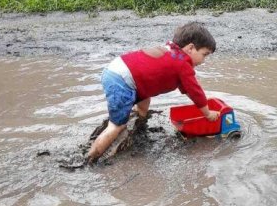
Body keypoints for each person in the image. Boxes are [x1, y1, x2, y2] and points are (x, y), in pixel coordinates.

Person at [87, 21, 219, 162]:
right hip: (121, 80)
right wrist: (207, 113)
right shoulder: (183, 64)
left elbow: (188, 89)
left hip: (117, 70)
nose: (203, 61)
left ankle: (140, 125)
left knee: (145, 100)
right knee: (116, 126)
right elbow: (195, 91)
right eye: (204, 54)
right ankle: (90, 159)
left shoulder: (172, 52)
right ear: (190, 48)